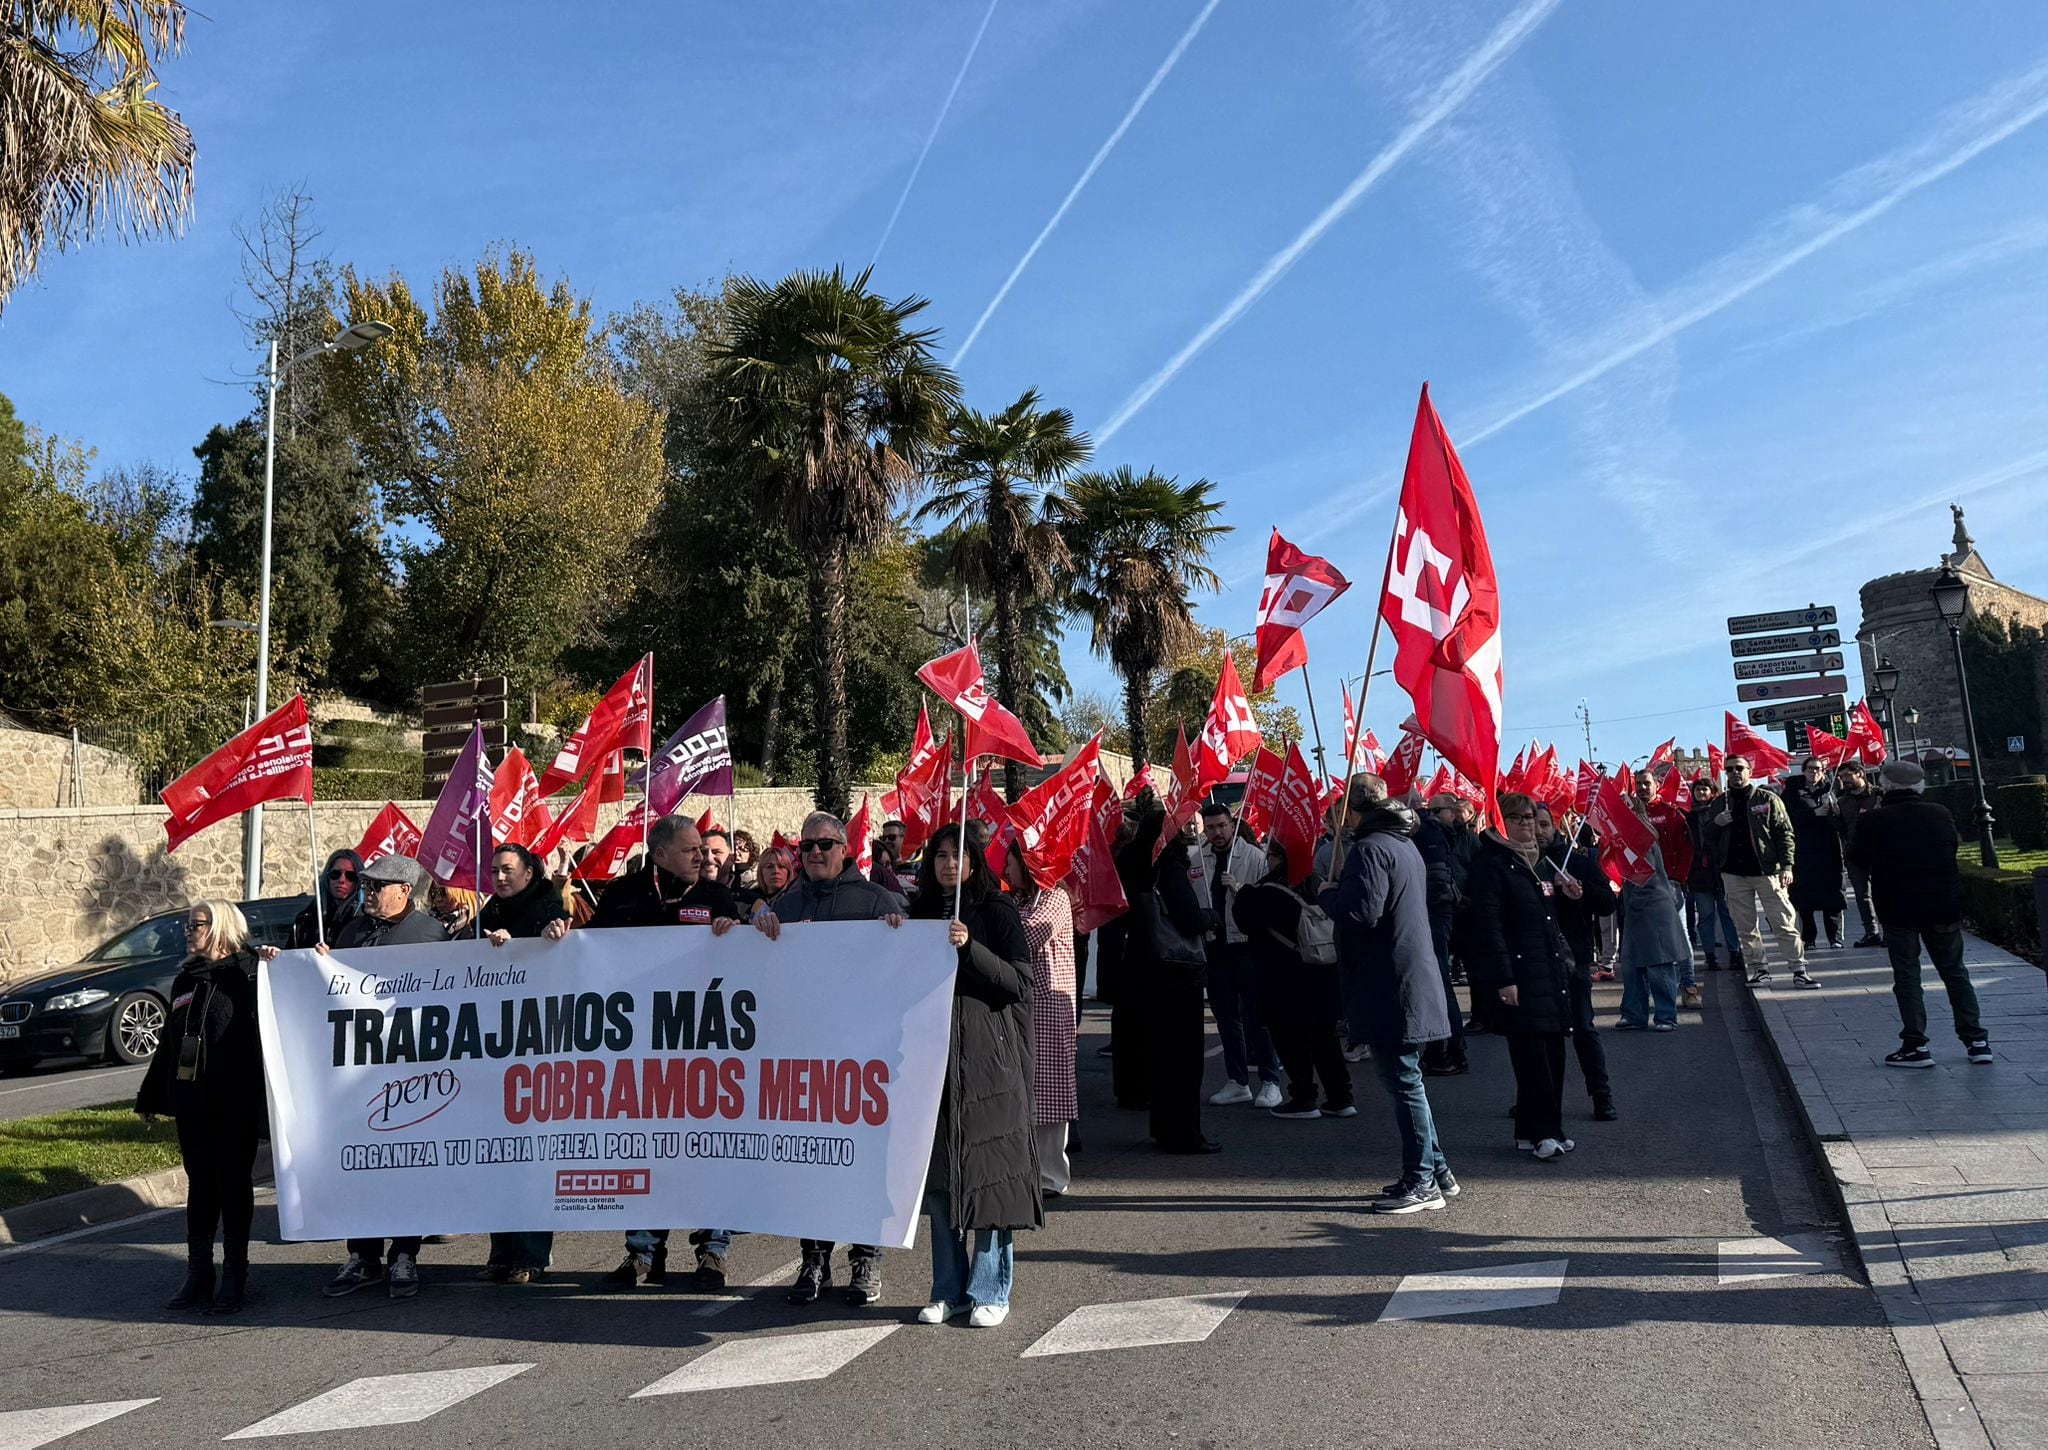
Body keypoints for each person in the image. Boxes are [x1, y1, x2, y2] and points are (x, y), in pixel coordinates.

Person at [752, 810, 907, 1305]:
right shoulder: (785, 902)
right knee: (810, 1164)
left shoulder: (877, 901)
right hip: (804, 1062)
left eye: (824, 844)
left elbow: (910, 962)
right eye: (807, 847)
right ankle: (813, 1259)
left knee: (863, 1163)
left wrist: (898, 931)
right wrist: (752, 922)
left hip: (863, 1059)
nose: (815, 853)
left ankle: (865, 1261)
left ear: (844, 848)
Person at [589, 817, 742, 1288]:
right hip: (641, 1046)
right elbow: (587, 950)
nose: (703, 857)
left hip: (704, 1046)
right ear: (659, 855)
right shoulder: (623, 894)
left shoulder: (716, 896)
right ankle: (642, 1254)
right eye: (691, 849)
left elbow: (743, 961)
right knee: (647, 1147)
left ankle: (711, 1252)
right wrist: (558, 936)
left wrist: (733, 930)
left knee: (709, 1149)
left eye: (704, 849)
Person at [911, 825, 1041, 1326]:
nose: (947, 863)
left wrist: (971, 949)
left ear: (974, 859)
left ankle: (991, 1289)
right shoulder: (920, 911)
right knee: (942, 1183)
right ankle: (949, 1288)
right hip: (933, 1064)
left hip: (991, 1062)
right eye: (939, 855)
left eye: (957, 854)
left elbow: (1019, 983)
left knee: (991, 1179)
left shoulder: (997, 911)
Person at [1321, 776, 1457, 1211]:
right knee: (1407, 1079)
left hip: (1390, 980)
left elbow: (1361, 912)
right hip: (1405, 973)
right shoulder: (1402, 843)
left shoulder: (1371, 848)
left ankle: (1422, 1182)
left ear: (1353, 811)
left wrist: (1328, 896)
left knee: (1403, 1081)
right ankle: (1436, 1170)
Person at [322, 854, 447, 1297]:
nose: (368, 892)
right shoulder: (352, 931)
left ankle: (404, 1256)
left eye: (378, 886)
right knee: (360, 1167)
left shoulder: (428, 935)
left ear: (404, 891)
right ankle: (363, 1255)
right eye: (366, 885)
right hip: (358, 1073)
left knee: (406, 1169)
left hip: (408, 1072)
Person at [136, 901, 266, 1315]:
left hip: (235, 1100)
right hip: (193, 1102)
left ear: (222, 927)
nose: (188, 931)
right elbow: (170, 1046)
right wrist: (152, 1095)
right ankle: (199, 1271)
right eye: (187, 924)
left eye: (196, 924)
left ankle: (235, 1274)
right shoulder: (184, 980)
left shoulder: (250, 974)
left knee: (233, 1183)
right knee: (201, 1184)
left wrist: (276, 964)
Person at [1846, 759, 1992, 1069]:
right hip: (1942, 904)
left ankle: (1915, 1045)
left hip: (1898, 908)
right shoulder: (1940, 813)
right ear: (1920, 786)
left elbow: (1855, 856)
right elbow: (1951, 847)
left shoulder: (1873, 820)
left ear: (1884, 786)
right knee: (1955, 972)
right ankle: (1976, 1040)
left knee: (1908, 975)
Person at [475, 844, 572, 1284]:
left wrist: (538, 943)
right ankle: (501, 1250)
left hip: (539, 1050)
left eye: (506, 870)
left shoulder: (549, 907)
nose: (498, 877)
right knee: (497, 1157)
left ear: (530, 872)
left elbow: (563, 952)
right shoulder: (489, 911)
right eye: (493, 870)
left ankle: (530, 1254)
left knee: (531, 1158)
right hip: (496, 1049)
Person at [1466, 792, 1579, 1161]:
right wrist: (1504, 978)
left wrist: (1569, 894)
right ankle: (1546, 1132)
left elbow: (1547, 918)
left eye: (1530, 817)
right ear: (1501, 823)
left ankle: (1532, 1131)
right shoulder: (1491, 864)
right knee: (1533, 1058)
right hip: (1519, 972)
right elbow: (1488, 925)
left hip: (1549, 970)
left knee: (1554, 1052)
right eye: (1517, 818)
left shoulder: (1538, 863)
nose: (1527, 824)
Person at [1116, 804, 1218, 1153]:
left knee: (1159, 1056)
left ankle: (1163, 1127)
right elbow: (1189, 918)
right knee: (1184, 1060)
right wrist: (1211, 916)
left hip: (1142, 967)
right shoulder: (1168, 866)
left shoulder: (1130, 862)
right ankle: (1185, 1134)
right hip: (1175, 971)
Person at [1235, 840, 1352, 1119]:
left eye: (1271, 854)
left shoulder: (1266, 892)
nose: (1267, 859)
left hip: (1283, 978)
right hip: (1322, 972)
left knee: (1290, 1038)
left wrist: (1241, 891)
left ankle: (1303, 1097)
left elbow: (1244, 920)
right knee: (1324, 1038)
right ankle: (1341, 1097)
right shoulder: (1320, 884)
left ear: (1281, 858)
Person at [1194, 801, 1285, 1109]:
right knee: (1226, 1017)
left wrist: (1239, 888)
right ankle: (1237, 1080)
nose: (1217, 833)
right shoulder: (1198, 858)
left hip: (1246, 944)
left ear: (1232, 825)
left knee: (1255, 1015)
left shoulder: (1253, 856)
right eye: (1210, 828)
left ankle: (1271, 1080)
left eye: (1221, 826)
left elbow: (1265, 900)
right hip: (1214, 945)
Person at [1003, 848, 1078, 1196]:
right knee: (1028, 1088)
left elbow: (1030, 934)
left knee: (1050, 1091)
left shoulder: (1054, 898)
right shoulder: (1018, 900)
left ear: (1027, 865)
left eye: (1010, 862)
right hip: (1026, 1003)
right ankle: (1029, 1169)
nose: (1005, 869)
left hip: (1050, 1005)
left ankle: (1051, 1175)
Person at [1535, 807, 1617, 1121]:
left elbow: (1607, 902)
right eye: (1532, 823)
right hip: (1535, 961)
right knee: (1537, 1036)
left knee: (1583, 1028)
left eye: (1544, 824)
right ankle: (1536, 1098)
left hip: (1572, 959)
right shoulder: (1523, 865)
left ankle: (1601, 1095)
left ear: (1555, 826)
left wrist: (1580, 893)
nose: (1538, 830)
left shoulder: (1577, 861)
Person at [1710, 755, 1814, 989]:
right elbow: (1707, 837)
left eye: (1740, 768)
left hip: (1767, 871)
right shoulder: (1720, 803)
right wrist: (1716, 823)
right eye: (1730, 769)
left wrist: (1787, 866)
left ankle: (1799, 969)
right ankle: (1759, 969)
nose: (1735, 773)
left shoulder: (1767, 798)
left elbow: (1784, 833)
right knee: (1745, 926)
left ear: (1749, 771)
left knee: (1783, 922)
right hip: (1734, 873)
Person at [1615, 820, 1688, 1033]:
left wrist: (1632, 902)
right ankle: (1635, 1014)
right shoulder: (1630, 842)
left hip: (1652, 910)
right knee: (1633, 967)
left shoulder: (1641, 842)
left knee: (1659, 965)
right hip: (1637, 912)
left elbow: (1644, 879)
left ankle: (1666, 1015)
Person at [1414, 796, 1469, 1076]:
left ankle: (1447, 1051)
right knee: (1438, 982)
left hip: (1435, 912)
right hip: (1441, 911)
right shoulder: (1439, 832)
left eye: (1436, 810)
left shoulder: (1432, 833)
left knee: (1438, 983)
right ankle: (1447, 1049)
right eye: (1427, 809)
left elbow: (1435, 881)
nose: (1429, 814)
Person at [1784, 756, 1848, 950]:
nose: (1815, 772)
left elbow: (1843, 820)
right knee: (1805, 899)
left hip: (1829, 850)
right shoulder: (1793, 793)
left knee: (1833, 896)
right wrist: (1812, 814)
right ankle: (1809, 937)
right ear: (1803, 771)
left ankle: (1834, 937)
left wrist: (1835, 811)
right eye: (1811, 769)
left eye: (1819, 769)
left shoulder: (1830, 790)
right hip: (1803, 852)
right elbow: (1786, 818)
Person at [1683, 778, 1743, 976]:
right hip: (1700, 873)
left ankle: (1735, 953)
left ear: (1712, 791)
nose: (1701, 793)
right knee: (1706, 915)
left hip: (1722, 870)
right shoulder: (1688, 817)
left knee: (1728, 914)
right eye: (1698, 789)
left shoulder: (1721, 812)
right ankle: (1710, 955)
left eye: (1705, 789)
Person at [1833, 760, 1885, 947]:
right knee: (1862, 895)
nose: (1844, 780)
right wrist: (1830, 816)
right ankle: (1871, 932)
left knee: (1883, 892)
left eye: (1847, 775)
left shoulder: (1879, 795)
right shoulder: (1842, 800)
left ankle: (1889, 931)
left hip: (1879, 851)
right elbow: (1842, 828)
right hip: (1854, 852)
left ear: (1860, 774)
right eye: (1841, 777)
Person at [290, 848, 362, 949]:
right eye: (335, 874)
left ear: (358, 881)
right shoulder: (306, 919)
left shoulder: (364, 922)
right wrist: (275, 954)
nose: (341, 880)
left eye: (350, 876)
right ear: (327, 876)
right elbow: (291, 956)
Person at [735, 843, 795, 920]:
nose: (776, 871)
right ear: (761, 872)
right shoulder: (748, 900)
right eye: (769, 867)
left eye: (781, 866)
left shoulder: (796, 900)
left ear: (788, 872)